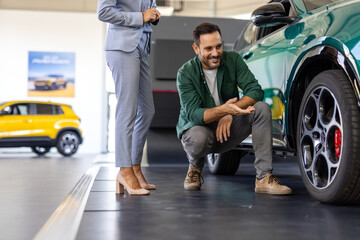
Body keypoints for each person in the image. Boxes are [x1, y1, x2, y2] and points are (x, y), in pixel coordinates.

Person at [176, 22, 292, 195]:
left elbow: (255, 90)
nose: (215, 53)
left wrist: (231, 112)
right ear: (196, 48)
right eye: (208, 49)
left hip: (227, 129)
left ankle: (263, 177)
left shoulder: (233, 59)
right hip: (198, 130)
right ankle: (195, 167)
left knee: (261, 108)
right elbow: (194, 114)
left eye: (218, 46)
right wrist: (225, 110)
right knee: (199, 139)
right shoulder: (185, 73)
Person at [97, 0, 160, 195]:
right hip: (122, 46)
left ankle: (134, 166)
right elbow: (104, 12)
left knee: (147, 111)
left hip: (141, 47)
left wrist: (154, 14)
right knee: (127, 110)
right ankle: (124, 171)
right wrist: (141, 17)